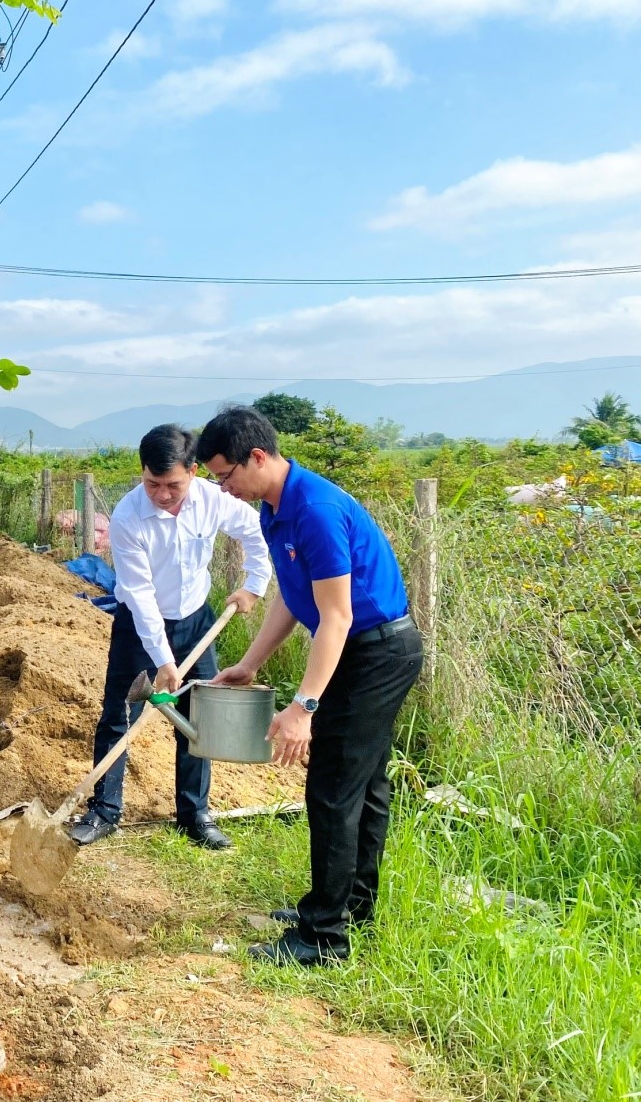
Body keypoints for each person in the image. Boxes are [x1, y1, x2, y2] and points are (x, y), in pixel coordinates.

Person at [196, 406, 424, 966]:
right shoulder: (277, 509)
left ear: (257, 457)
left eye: (225, 476)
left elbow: (338, 616)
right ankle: (348, 906)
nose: (224, 488)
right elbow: (292, 599)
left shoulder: (316, 509)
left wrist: (303, 708)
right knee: (363, 786)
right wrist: (250, 664)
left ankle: (322, 938)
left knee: (332, 788)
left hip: (376, 651)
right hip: (354, 647)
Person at [69, 426, 272, 851]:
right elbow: (140, 595)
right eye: (152, 484)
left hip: (197, 620)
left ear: (194, 472)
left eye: (173, 485)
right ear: (142, 473)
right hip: (140, 625)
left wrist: (254, 584)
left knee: (199, 718)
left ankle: (194, 813)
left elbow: (256, 531)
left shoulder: (213, 500)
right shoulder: (127, 519)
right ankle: (105, 809)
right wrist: (162, 660)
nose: (162, 495)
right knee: (118, 713)